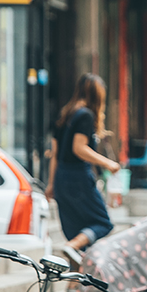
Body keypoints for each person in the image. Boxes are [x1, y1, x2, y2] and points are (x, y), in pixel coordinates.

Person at [47, 74, 119, 267]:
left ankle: (74, 280)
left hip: (62, 177)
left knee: (75, 227)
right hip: (78, 177)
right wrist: (108, 163)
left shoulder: (65, 114)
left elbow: (55, 153)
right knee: (103, 223)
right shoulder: (85, 115)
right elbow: (79, 148)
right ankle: (73, 245)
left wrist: (52, 184)